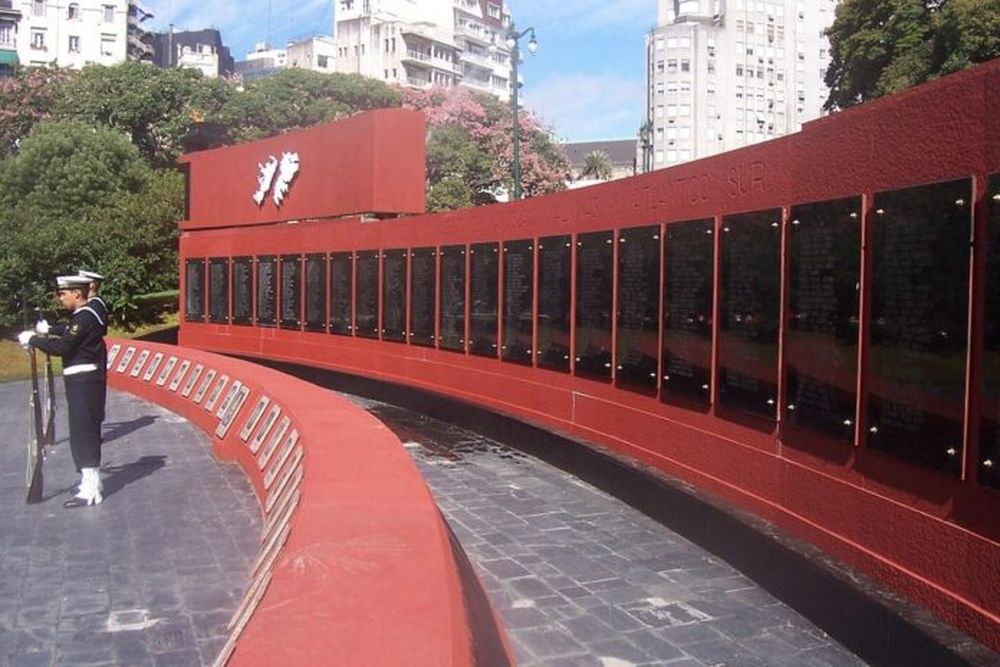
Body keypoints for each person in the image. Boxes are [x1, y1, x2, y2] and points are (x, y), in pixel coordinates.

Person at [18, 275, 107, 508]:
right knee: (83, 430)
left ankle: (90, 489)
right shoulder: (81, 317)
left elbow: (63, 346)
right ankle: (92, 483)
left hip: (84, 381)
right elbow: (69, 332)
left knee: (83, 432)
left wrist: (34, 340)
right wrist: (49, 330)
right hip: (83, 380)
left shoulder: (84, 317)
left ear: (77, 294)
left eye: (63, 294)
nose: (60, 298)